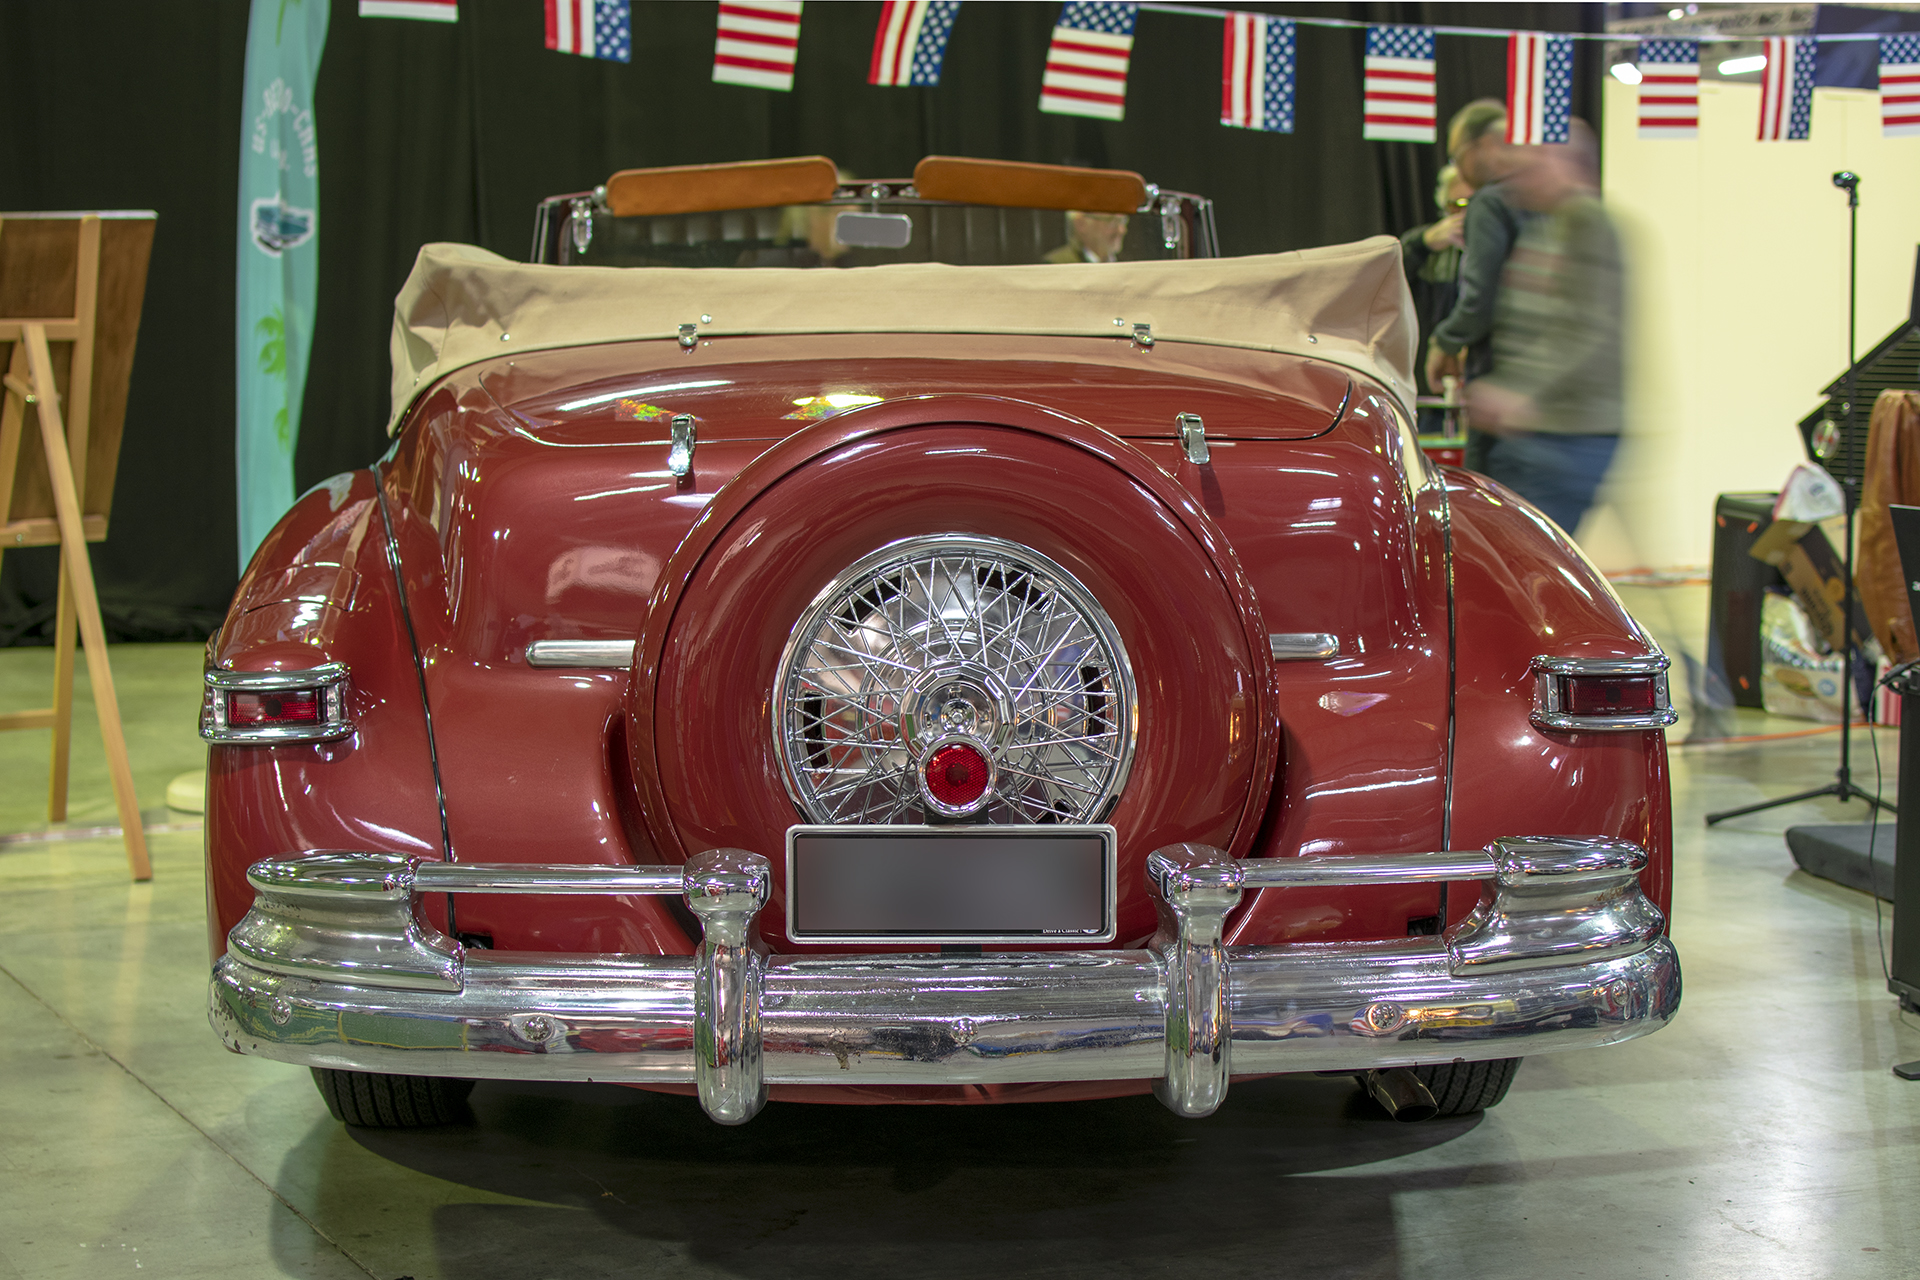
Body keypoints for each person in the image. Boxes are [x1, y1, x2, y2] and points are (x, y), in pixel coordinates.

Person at [1463, 120, 1624, 536]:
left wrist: (1516, 387)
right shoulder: (1551, 223)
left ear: (1564, 161)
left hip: (1568, 437)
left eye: (1531, 161)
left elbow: (1586, 329)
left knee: (1527, 570)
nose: (1517, 173)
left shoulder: (1587, 224)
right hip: (1544, 433)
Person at [1425, 99, 1537, 471]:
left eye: (1458, 156)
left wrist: (1445, 341)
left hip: (1499, 380)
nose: (1458, 167)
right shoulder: (1539, 197)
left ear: (1484, 146)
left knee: (1485, 498)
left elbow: (1480, 297)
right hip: (1547, 390)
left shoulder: (1490, 202)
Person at [1400, 163, 1475, 436]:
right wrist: (1424, 242)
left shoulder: (1498, 249)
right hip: (1428, 391)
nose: (1464, 214)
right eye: (1456, 205)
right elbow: (1386, 273)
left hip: (1479, 390)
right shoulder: (1430, 250)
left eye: (1472, 203)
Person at [1044, 211, 1127, 263]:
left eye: (1123, 221)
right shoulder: (1058, 265)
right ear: (1081, 224)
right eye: (1111, 222)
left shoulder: (1128, 265)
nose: (1121, 230)